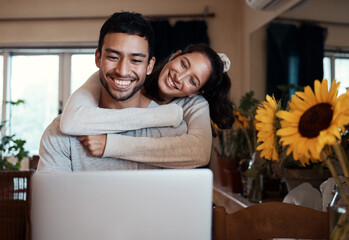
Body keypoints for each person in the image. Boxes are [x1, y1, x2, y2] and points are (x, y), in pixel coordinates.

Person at [58, 44, 235, 167]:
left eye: (192, 80)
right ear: (174, 56)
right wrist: (162, 116)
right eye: (183, 64)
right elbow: (71, 121)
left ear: (195, 92)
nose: (178, 77)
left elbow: (199, 153)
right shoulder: (125, 79)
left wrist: (110, 144)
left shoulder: (194, 104)